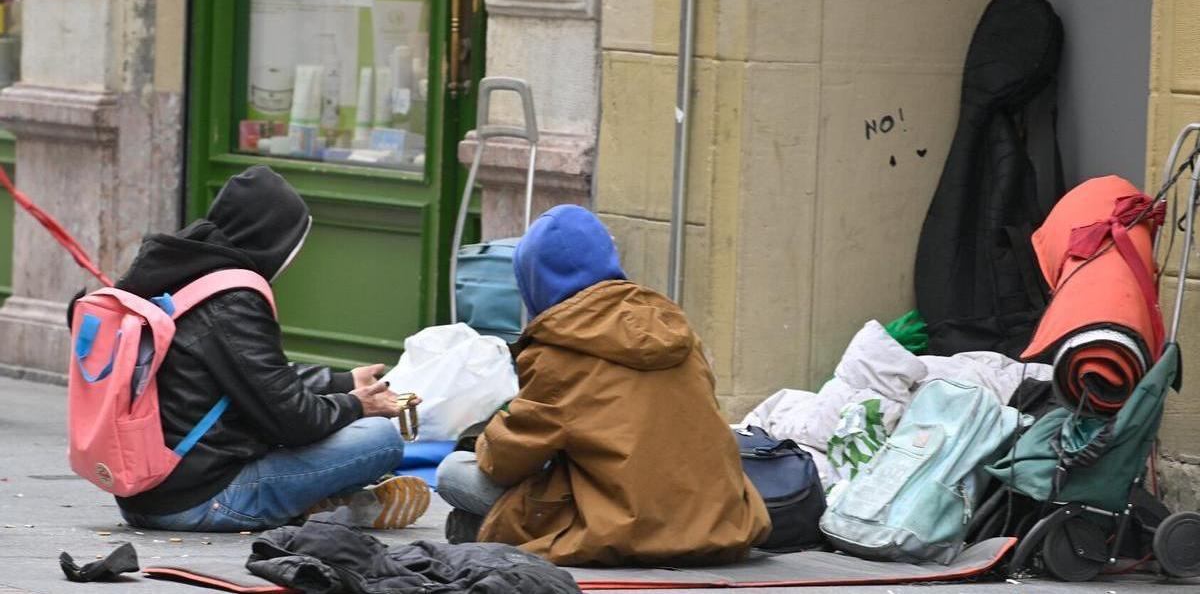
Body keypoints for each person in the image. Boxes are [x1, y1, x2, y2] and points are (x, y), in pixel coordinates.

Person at [436, 204, 771, 566]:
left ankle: (483, 528)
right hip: (719, 522)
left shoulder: (557, 351)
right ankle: (483, 528)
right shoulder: (676, 330)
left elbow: (504, 462)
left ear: (534, 280)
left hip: (622, 527)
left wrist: (484, 440)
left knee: (453, 471)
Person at [107, 165, 428, 532]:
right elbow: (294, 421)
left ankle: (327, 502)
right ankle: (331, 506)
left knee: (334, 429)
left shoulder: (180, 277)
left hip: (145, 491)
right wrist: (358, 405)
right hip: (201, 499)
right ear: (274, 239)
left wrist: (342, 382)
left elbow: (255, 378)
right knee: (380, 440)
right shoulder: (233, 300)